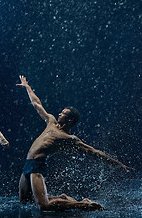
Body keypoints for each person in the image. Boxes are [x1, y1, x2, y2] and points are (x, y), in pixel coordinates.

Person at [17, 75, 132, 212]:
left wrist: (118, 164)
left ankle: (84, 205)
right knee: (26, 200)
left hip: (37, 164)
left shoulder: (69, 138)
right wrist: (27, 87)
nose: (59, 114)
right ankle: (64, 199)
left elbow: (94, 152)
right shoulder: (51, 122)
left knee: (43, 206)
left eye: (63, 113)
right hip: (27, 163)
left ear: (70, 120)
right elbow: (37, 104)